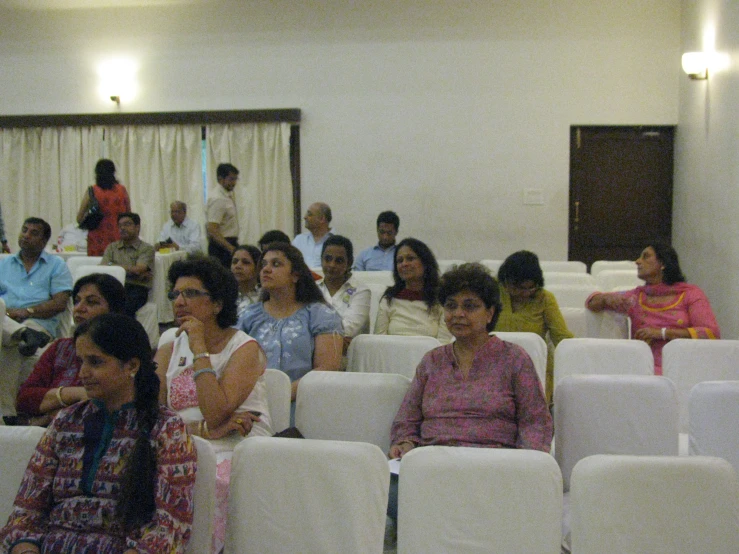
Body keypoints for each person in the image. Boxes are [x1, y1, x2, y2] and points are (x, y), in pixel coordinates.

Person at [0, 313, 197, 554]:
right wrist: (25, 548)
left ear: (132, 366)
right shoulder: (66, 421)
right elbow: (26, 512)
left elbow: (172, 528)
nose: (83, 372)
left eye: (95, 362)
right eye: (80, 361)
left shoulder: (166, 428)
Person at [386, 263, 552, 520]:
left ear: (490, 313)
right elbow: (407, 418)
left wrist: (523, 468)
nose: (458, 313)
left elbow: (535, 422)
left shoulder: (514, 359)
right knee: (383, 490)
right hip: (434, 466)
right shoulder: (431, 361)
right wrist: (405, 442)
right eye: (451, 306)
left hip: (494, 469)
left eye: (470, 306)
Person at [155, 256, 272, 552]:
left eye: (191, 293)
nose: (179, 301)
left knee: (209, 481)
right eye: (175, 293)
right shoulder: (168, 347)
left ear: (218, 303)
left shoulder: (244, 348)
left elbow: (216, 411)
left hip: (236, 448)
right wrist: (202, 430)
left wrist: (198, 349)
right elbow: (152, 416)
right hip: (183, 443)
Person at [586, 243, 720, 374]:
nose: (637, 261)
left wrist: (662, 333)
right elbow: (591, 302)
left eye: (645, 257)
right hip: (643, 369)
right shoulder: (636, 297)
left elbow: (710, 333)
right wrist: (604, 298)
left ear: (663, 263)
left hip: (684, 368)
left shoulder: (690, 294)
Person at [15, 273, 126, 426]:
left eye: (92, 302)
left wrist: (53, 410)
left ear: (114, 310)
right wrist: (74, 394)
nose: (79, 309)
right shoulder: (60, 347)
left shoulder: (123, 350)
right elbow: (25, 399)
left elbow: (108, 401)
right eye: (77, 301)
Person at [239, 242, 343, 403]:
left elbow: (326, 370)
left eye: (276, 264)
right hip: (253, 405)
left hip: (306, 404)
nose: (266, 269)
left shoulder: (321, 315)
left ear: (295, 275)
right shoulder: (248, 316)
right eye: (264, 264)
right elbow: (233, 367)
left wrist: (278, 397)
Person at [493, 250, 573, 403]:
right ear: (505, 282)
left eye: (530, 288)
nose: (525, 293)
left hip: (534, 367)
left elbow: (561, 337)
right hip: (493, 364)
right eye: (518, 288)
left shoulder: (545, 298)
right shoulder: (492, 294)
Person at [0, 217, 73, 356]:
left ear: (44, 241)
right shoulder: (3, 264)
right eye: (24, 230)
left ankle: (25, 334)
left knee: (15, 344)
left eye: (34, 233)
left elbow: (59, 303)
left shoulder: (56, 265)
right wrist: (7, 313)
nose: (26, 235)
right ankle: (23, 333)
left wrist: (26, 312)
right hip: (5, 318)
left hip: (38, 322)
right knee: (12, 333)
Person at [374, 237, 452, 343]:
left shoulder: (441, 299)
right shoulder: (389, 298)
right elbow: (378, 341)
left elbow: (444, 343)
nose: (404, 264)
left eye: (410, 258)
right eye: (399, 261)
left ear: (425, 263)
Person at [318, 235, 371, 352]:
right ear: (321, 259)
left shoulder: (361, 291)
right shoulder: (312, 290)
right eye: (327, 259)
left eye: (339, 261)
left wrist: (315, 337)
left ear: (349, 263)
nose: (332, 265)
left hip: (349, 356)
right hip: (316, 353)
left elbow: (349, 328)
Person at [101, 212, 155, 317]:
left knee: (124, 308)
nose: (122, 228)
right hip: (114, 285)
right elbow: (103, 268)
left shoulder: (146, 248)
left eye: (127, 224)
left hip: (136, 288)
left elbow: (139, 269)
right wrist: (132, 271)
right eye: (120, 225)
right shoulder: (112, 247)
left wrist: (112, 265)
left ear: (137, 227)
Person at [76, 158, 131, 256]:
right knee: (118, 268)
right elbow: (129, 215)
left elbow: (79, 218)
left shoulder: (92, 191)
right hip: (118, 236)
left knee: (98, 267)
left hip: (97, 238)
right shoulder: (122, 191)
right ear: (113, 172)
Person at [206, 163, 239, 267]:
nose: (234, 183)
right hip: (221, 248)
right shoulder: (218, 198)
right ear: (220, 179)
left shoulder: (226, 196)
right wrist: (230, 248)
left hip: (228, 244)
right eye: (231, 179)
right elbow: (212, 229)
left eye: (235, 179)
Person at [292, 202, 333, 267]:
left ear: (322, 219)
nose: (305, 217)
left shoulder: (337, 241)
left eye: (309, 214)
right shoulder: (299, 240)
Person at [231, 244, 262, 317]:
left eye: (245, 262)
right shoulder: (224, 295)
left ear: (258, 268)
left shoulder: (265, 296)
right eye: (234, 262)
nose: (238, 266)